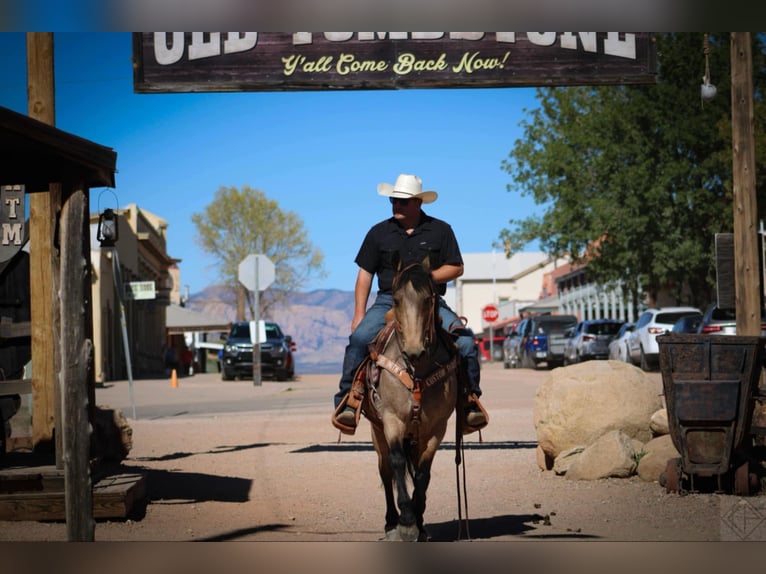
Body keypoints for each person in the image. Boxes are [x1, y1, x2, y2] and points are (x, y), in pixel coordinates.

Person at [332, 173, 487, 432]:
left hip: (430, 300)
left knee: (467, 343)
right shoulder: (378, 232)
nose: (396, 205)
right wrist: (358, 313)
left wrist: (427, 278)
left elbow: (456, 267)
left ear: (417, 202)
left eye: (402, 201)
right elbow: (365, 274)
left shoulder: (440, 230)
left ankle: (469, 400)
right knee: (359, 340)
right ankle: (350, 399)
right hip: (387, 301)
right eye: (393, 200)